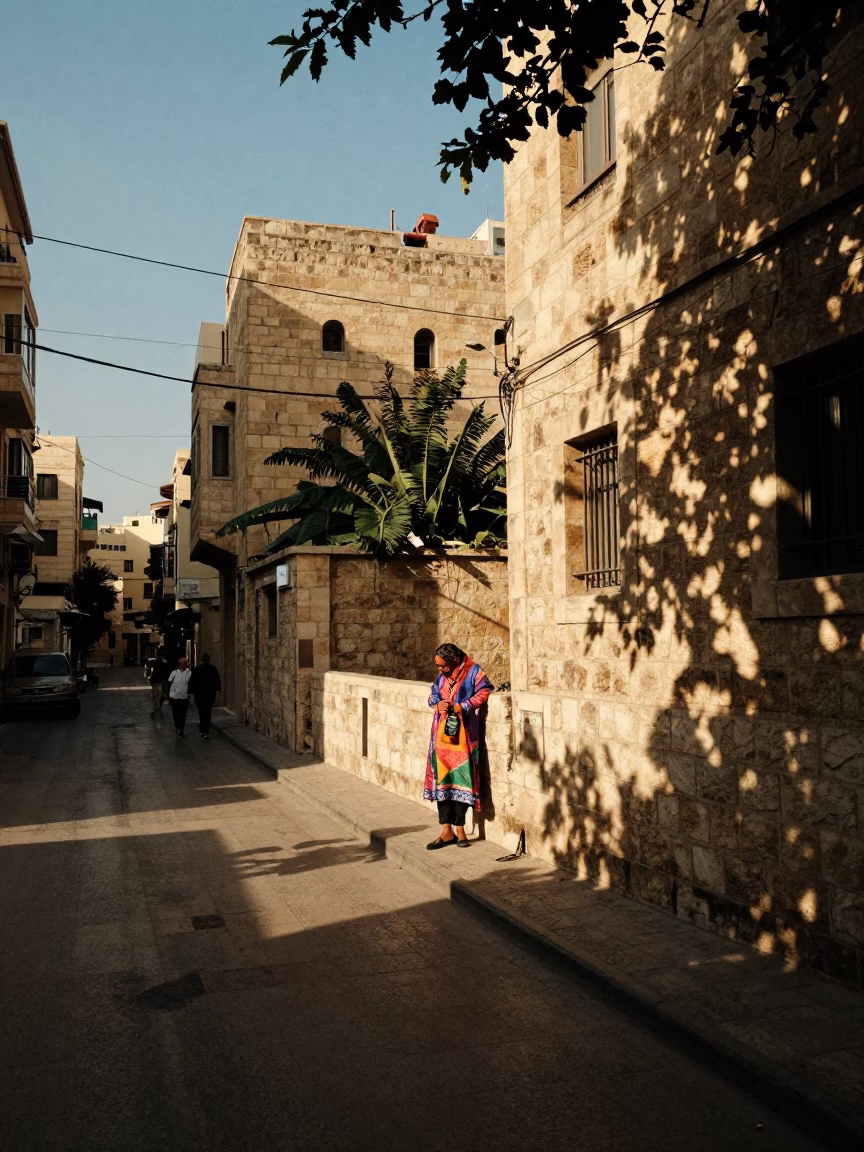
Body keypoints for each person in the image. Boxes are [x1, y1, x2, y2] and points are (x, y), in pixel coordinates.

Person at [424, 643, 492, 849]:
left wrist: (461, 706)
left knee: (462, 780)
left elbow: (485, 691)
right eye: (438, 666)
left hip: (463, 739)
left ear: (453, 660)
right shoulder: (441, 677)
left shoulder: (473, 672)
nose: (440, 670)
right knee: (443, 781)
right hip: (442, 738)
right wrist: (437, 704)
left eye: (442, 665)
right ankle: (446, 830)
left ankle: (460, 828)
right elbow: (433, 694)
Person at [189, 653, 222, 739]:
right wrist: (218, 689)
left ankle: (202, 730)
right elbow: (217, 680)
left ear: (202, 659)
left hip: (199, 694)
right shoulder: (213, 669)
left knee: (201, 712)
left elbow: (192, 681)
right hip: (210, 694)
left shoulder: (197, 669)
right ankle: (206, 730)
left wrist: (191, 691)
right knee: (208, 711)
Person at [167, 657, 192, 737]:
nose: (182, 665)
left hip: (184, 696)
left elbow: (191, 683)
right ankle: (177, 726)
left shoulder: (189, 673)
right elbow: (169, 682)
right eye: (181, 663)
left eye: (184, 663)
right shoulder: (174, 673)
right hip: (174, 696)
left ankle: (181, 728)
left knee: (183, 713)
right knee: (176, 713)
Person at [148, 648, 170, 718]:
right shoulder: (162, 664)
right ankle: (158, 711)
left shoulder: (156, 663)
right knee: (159, 697)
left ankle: (157, 710)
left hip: (156, 682)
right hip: (159, 682)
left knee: (157, 697)